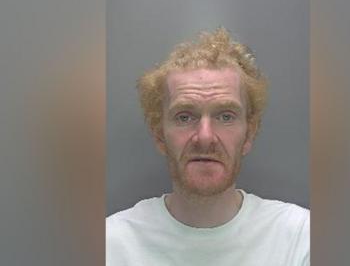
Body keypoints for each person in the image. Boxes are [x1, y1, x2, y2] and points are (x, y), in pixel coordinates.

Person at [106, 27, 310, 266]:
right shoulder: (112, 245)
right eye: (184, 117)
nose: (205, 137)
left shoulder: (299, 238)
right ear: (159, 135)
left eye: (225, 116)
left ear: (249, 134)